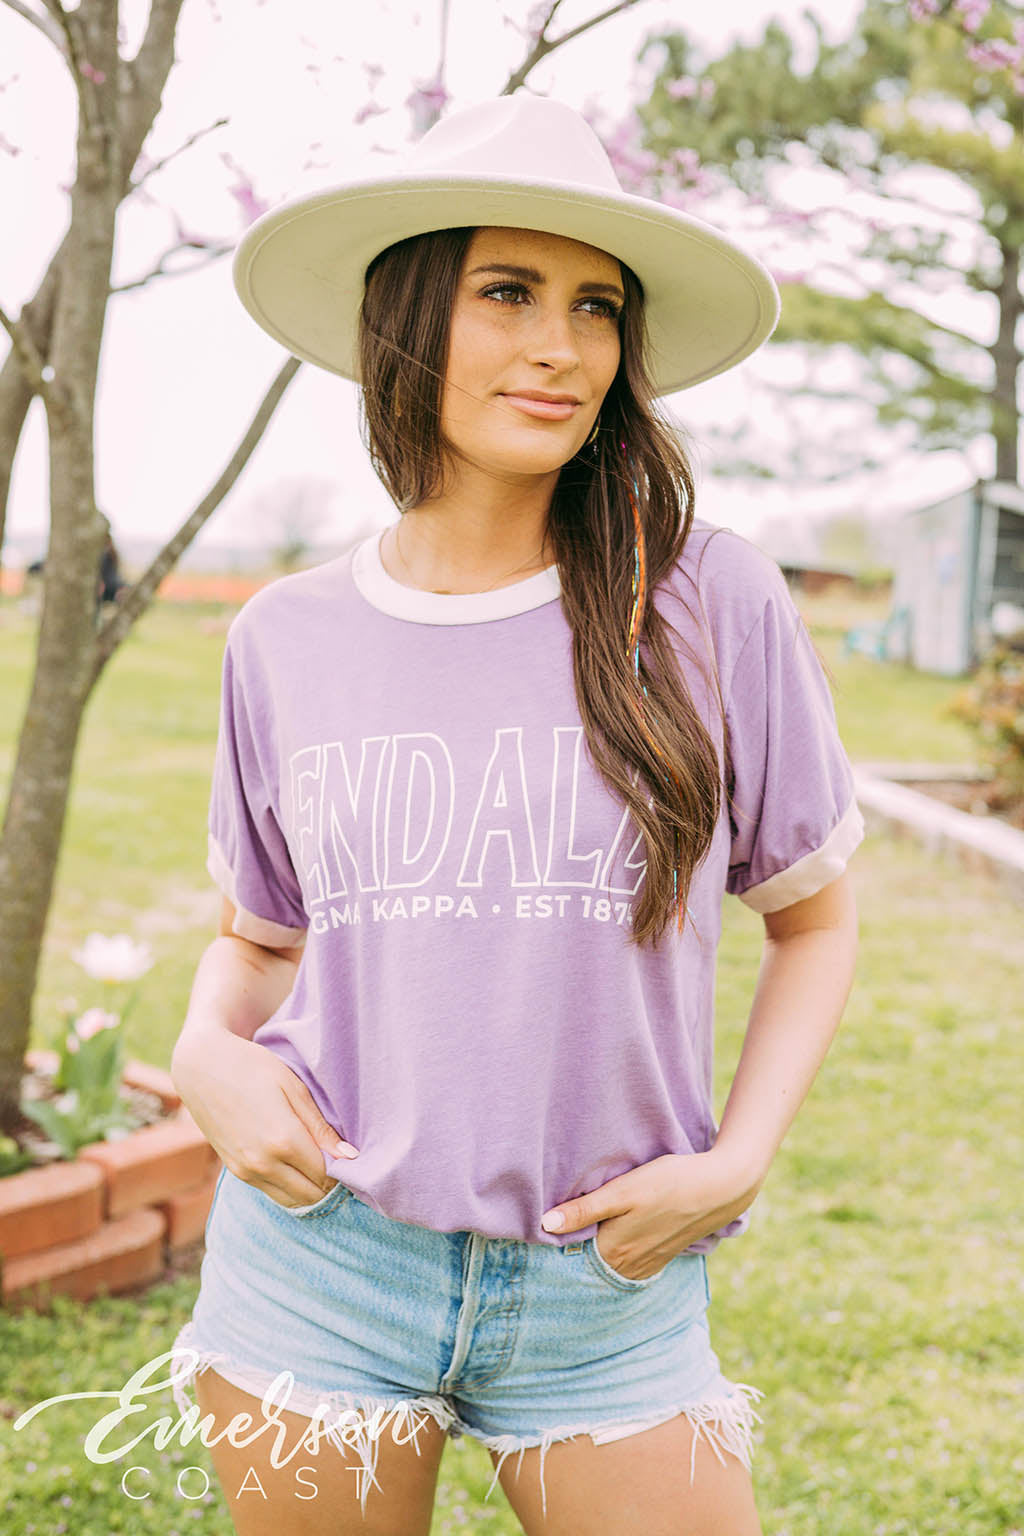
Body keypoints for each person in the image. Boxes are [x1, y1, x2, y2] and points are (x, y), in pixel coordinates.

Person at [169, 94, 863, 1536]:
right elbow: (259, 938)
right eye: (508, 292)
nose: (562, 345)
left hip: (604, 1286)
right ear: (405, 320)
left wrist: (738, 1159)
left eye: (596, 306)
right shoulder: (283, 636)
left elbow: (814, 920)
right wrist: (201, 1053)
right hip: (321, 1263)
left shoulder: (709, 600)